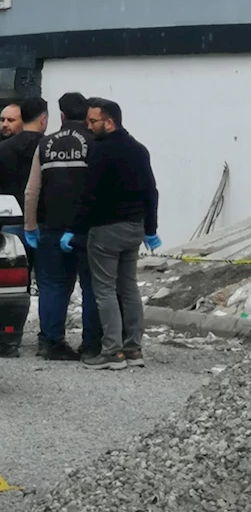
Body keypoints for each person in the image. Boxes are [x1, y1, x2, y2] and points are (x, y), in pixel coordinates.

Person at [62, 99, 160, 371]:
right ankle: (134, 349)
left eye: (93, 121)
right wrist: (150, 229)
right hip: (134, 228)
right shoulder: (139, 149)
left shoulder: (100, 151)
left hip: (106, 230)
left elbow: (89, 195)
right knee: (128, 288)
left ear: (109, 122)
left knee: (104, 289)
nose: (88, 126)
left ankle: (112, 351)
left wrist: (73, 229)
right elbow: (151, 191)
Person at [24, 93, 102, 361]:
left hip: (51, 226)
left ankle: (51, 341)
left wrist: (30, 226)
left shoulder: (45, 144)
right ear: (87, 115)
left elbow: (32, 191)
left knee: (52, 286)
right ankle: (91, 344)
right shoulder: (94, 142)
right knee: (92, 287)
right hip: (88, 228)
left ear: (61, 116)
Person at [0, 96, 48, 357]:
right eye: (2, 120)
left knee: (14, 285)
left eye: (10, 120)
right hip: (40, 224)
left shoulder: (2, 149)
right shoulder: (48, 146)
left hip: (12, 225)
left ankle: (9, 341)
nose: (4, 124)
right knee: (48, 283)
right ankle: (50, 338)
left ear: (23, 120)